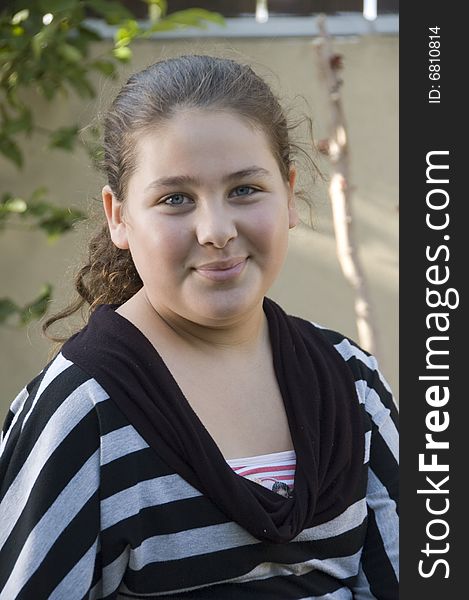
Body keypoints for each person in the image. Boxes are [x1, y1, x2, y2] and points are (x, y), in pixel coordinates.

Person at [0, 54, 398, 599]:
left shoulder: (349, 381)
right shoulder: (85, 408)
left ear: (288, 193)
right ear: (119, 217)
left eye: (244, 190)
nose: (215, 229)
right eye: (175, 199)